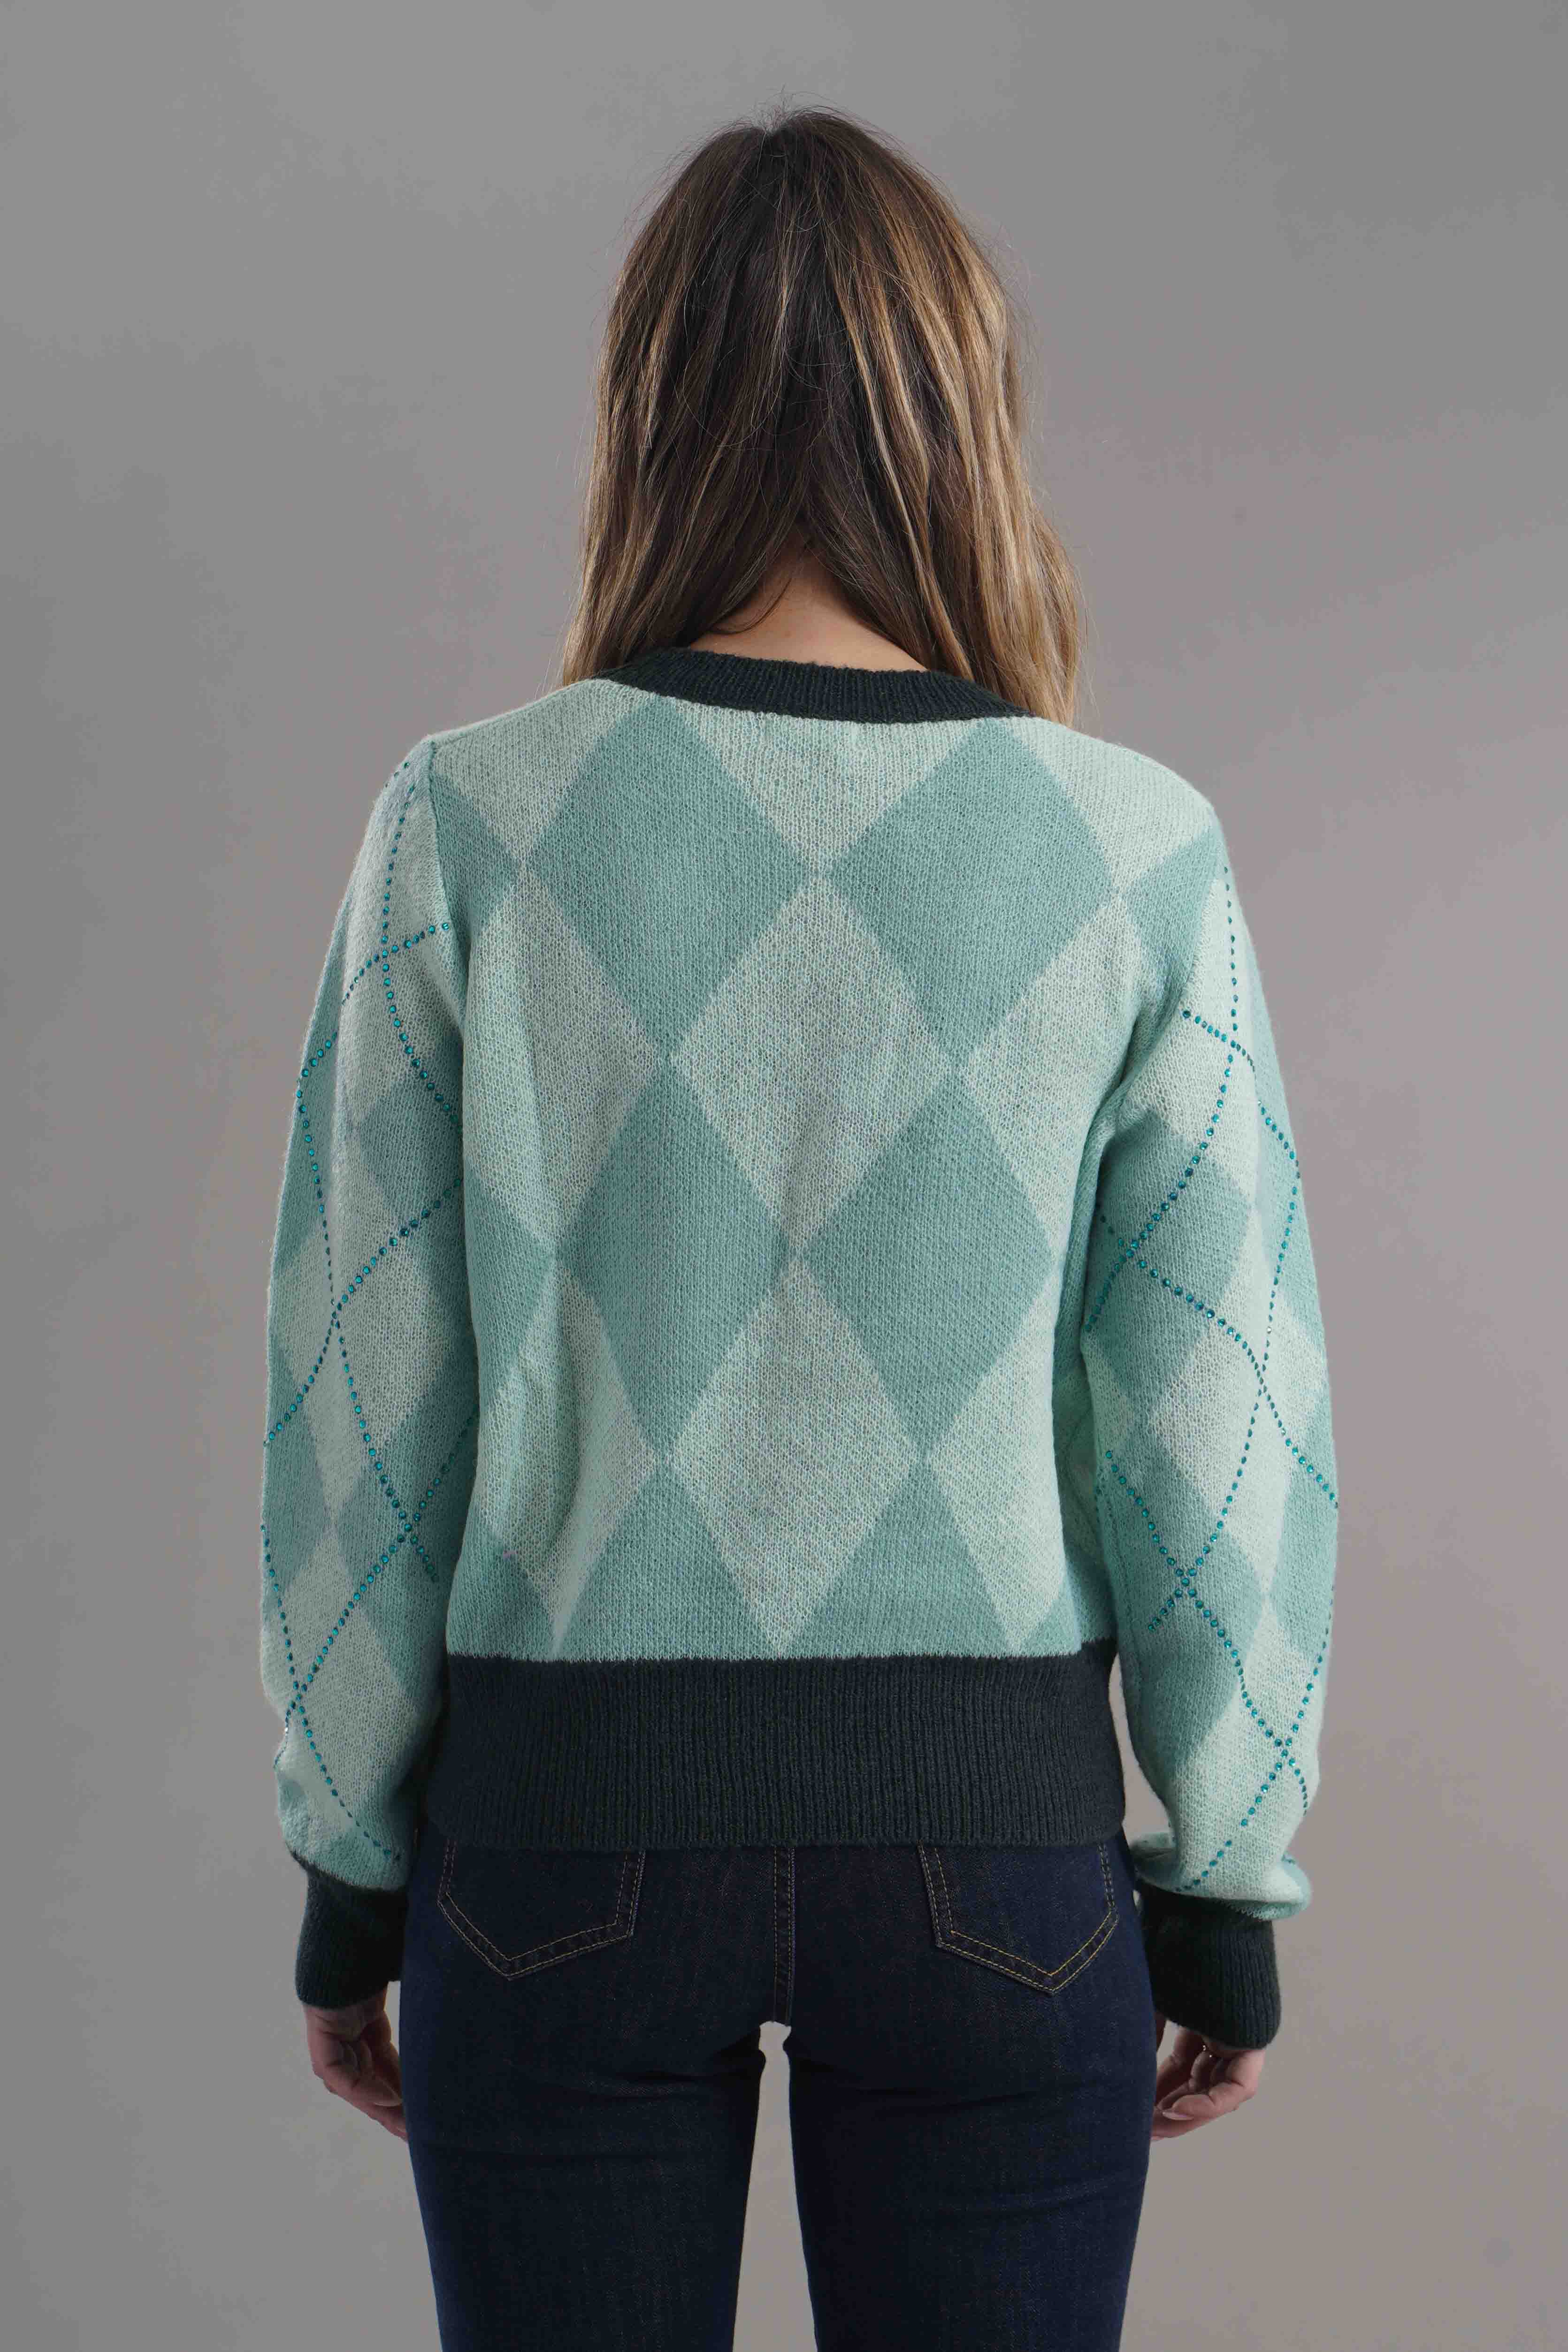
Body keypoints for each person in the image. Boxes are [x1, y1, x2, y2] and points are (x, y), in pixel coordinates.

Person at [259, 101, 1338, 2352]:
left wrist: (350, 1859)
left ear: (648, 413)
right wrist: (1226, 1874)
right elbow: (1213, 1412)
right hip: (998, 1875)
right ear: (961, 415)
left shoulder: (466, 823)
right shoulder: (1133, 850)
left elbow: (364, 1388)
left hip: (553, 1854)